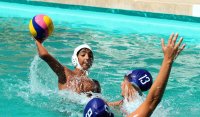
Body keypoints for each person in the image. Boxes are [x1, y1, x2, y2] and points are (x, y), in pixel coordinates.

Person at [83, 33, 186, 117]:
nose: (121, 84)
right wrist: (168, 59)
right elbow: (153, 100)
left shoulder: (126, 104)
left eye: (123, 81)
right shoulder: (135, 106)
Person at [34, 38, 101, 94]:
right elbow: (44, 55)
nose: (87, 58)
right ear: (75, 58)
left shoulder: (95, 84)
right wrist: (37, 40)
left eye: (90, 56)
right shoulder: (65, 73)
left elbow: (101, 103)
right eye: (83, 55)